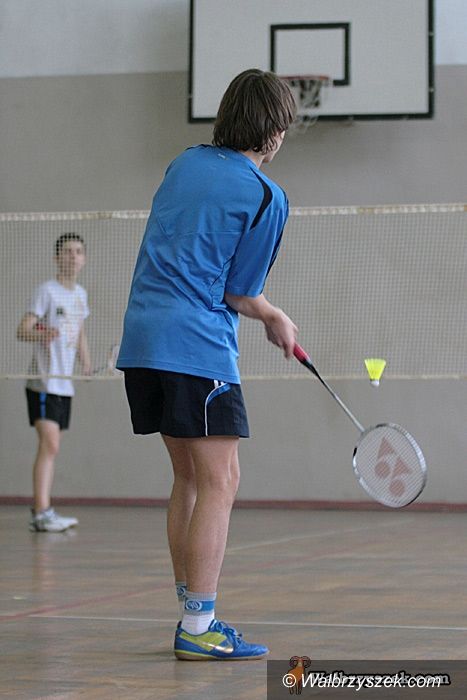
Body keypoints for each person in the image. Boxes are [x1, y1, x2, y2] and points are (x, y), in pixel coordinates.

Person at [117, 69, 297, 660]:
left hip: (142, 339)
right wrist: (273, 316)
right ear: (274, 131)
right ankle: (199, 628)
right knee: (221, 479)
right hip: (195, 347)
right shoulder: (265, 195)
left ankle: (191, 612)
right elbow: (239, 292)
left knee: (189, 479)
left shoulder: (184, 163)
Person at [17, 233, 91, 533]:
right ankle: (41, 512)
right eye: (67, 251)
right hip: (43, 381)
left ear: (84, 259)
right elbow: (22, 330)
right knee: (50, 444)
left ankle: (43, 511)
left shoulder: (81, 295)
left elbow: (80, 331)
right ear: (56, 257)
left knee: (51, 447)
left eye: (78, 251)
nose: (73, 256)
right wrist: (42, 333)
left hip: (64, 383)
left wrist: (86, 362)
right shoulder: (46, 291)